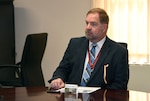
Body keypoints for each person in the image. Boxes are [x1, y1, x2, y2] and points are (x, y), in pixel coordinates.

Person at [48, 8, 129, 90]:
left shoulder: (118, 52)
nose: (88, 27)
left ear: (104, 27)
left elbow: (120, 85)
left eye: (93, 24)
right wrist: (58, 78)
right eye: (87, 23)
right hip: (73, 96)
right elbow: (63, 69)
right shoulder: (75, 44)